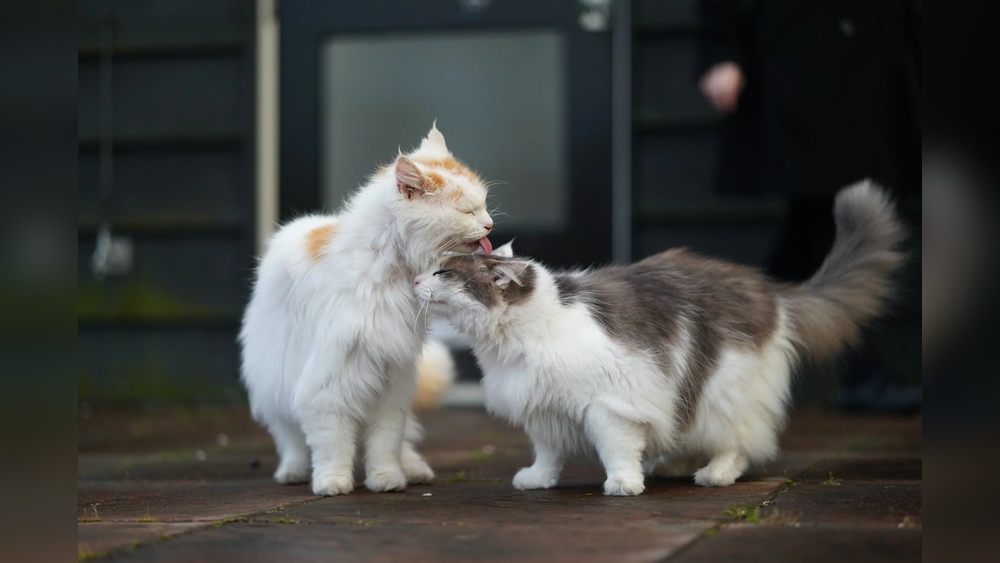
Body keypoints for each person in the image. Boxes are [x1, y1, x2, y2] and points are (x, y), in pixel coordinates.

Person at [696, 0, 922, 413]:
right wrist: (721, 50)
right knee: (827, 216)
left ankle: (731, 355)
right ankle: (860, 371)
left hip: (874, 62)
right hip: (804, 65)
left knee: (811, 227)